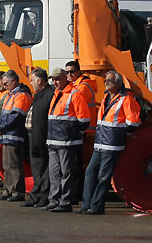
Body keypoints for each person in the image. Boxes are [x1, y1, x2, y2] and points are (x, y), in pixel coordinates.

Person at [78, 71, 140, 215]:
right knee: (90, 172)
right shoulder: (107, 97)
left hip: (111, 144)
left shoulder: (126, 99)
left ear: (118, 83)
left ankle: (96, 206)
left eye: (109, 80)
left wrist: (119, 135)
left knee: (103, 176)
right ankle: (87, 205)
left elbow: (133, 123)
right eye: (106, 80)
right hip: (100, 143)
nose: (106, 82)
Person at [44, 67, 90, 212]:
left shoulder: (75, 94)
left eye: (57, 79)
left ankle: (65, 201)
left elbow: (84, 119)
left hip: (66, 141)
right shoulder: (57, 94)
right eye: (53, 79)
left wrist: (74, 133)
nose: (55, 82)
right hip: (54, 140)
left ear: (65, 78)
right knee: (55, 173)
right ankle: (55, 199)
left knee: (66, 173)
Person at [0, 70, 32, 202]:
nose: (4, 86)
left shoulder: (22, 96)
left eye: (6, 83)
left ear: (13, 81)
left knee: (14, 165)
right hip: (7, 134)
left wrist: (1, 127)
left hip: (15, 134)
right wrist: (0, 126)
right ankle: (9, 190)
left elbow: (16, 117)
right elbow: (5, 114)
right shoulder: (12, 95)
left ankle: (17, 192)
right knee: (7, 165)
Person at [20, 68, 54, 208]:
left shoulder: (49, 94)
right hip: (33, 136)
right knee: (36, 168)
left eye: (32, 80)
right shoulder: (38, 95)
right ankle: (36, 196)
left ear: (39, 81)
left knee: (42, 169)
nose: (31, 83)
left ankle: (42, 197)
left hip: (41, 137)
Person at [65, 59, 98, 202]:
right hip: (84, 131)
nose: (69, 75)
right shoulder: (78, 86)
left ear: (79, 71)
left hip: (85, 132)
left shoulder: (82, 88)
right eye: (67, 72)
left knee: (81, 166)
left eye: (72, 72)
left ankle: (81, 195)